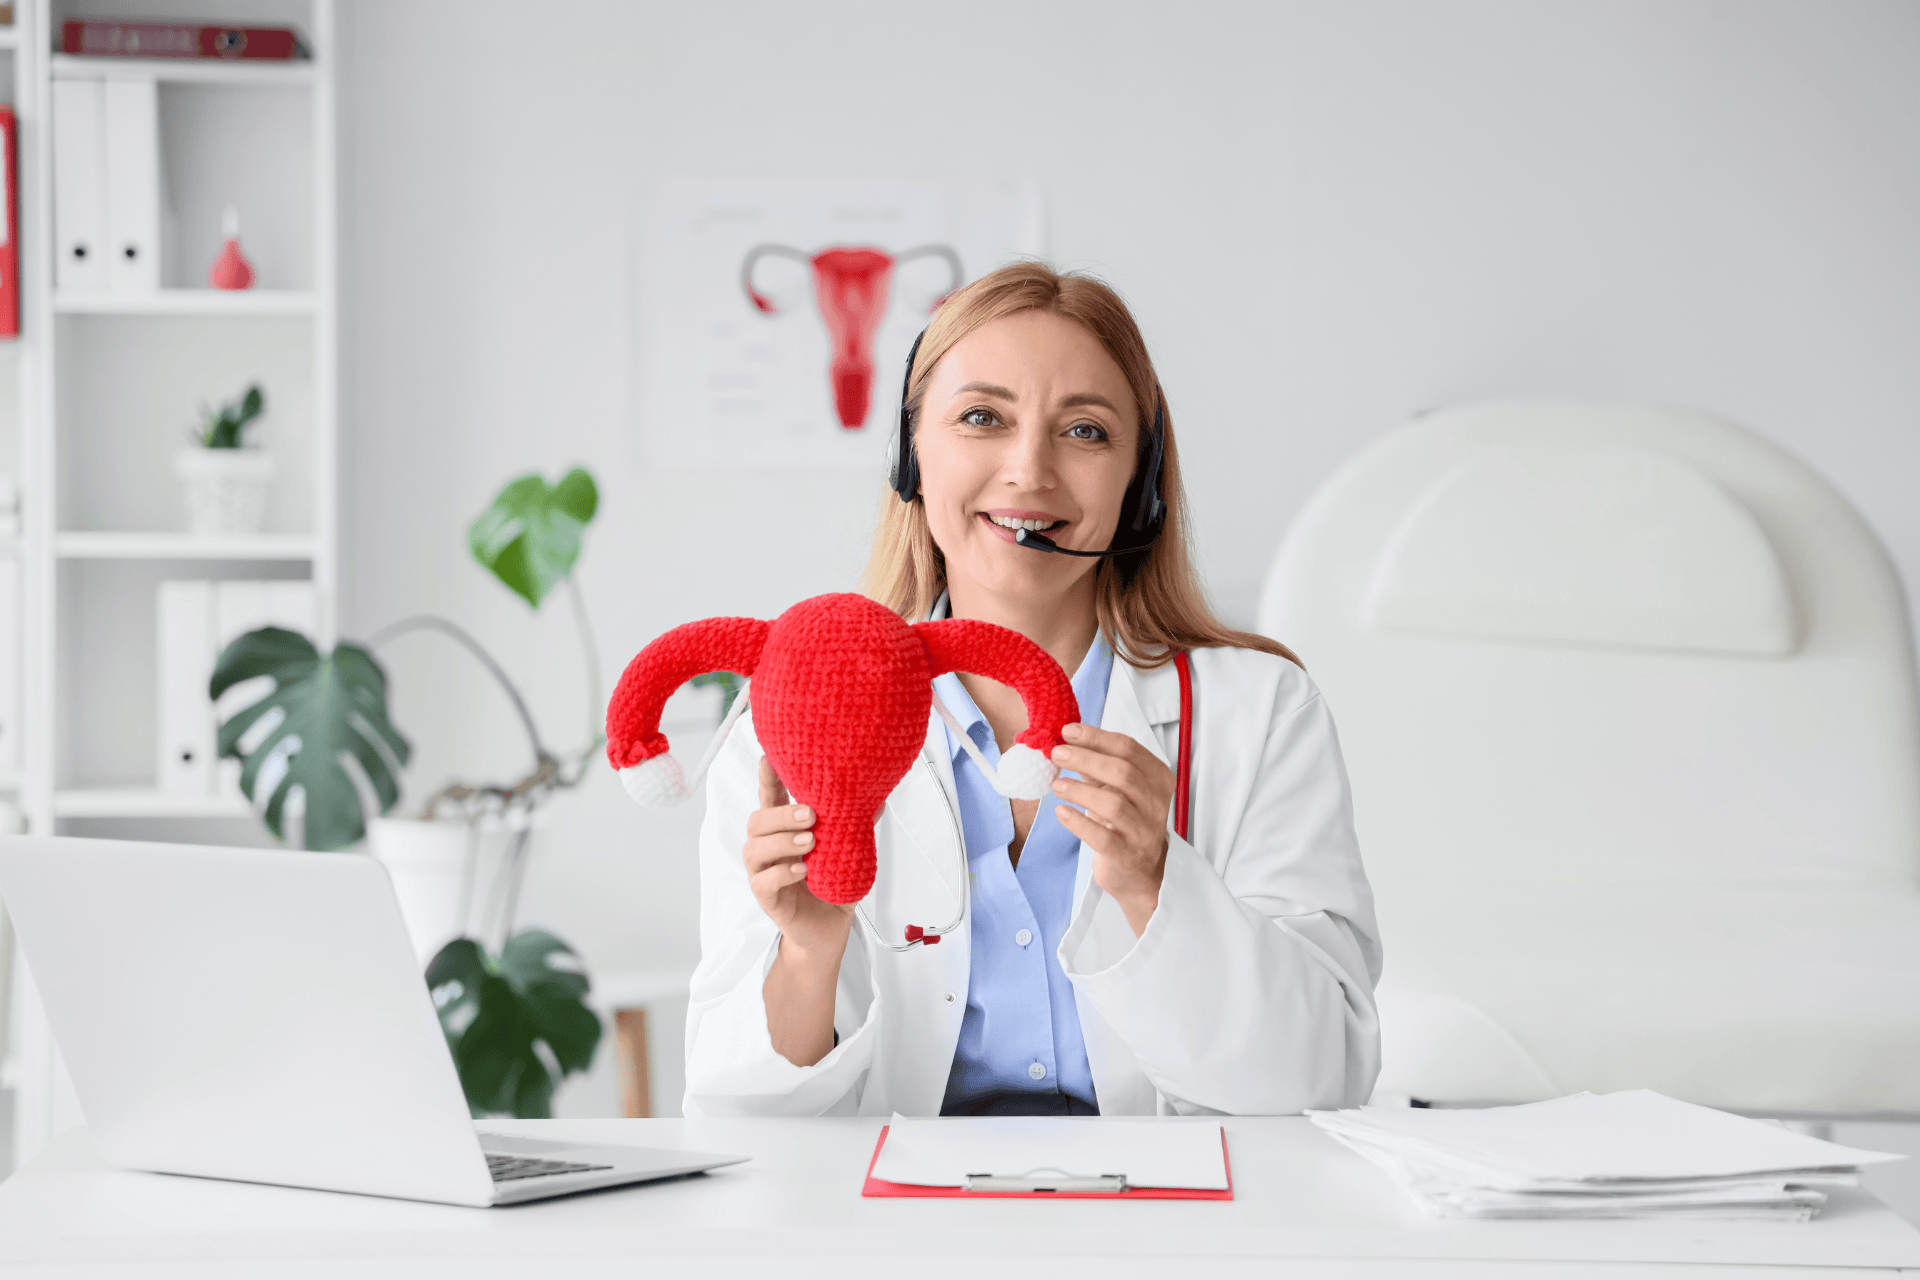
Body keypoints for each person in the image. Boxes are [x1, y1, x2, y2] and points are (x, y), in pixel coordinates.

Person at [683, 262, 1380, 1117]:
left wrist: (1158, 883)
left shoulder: (1264, 713)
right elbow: (737, 1121)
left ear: (1141, 483)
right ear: (912, 458)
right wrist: (808, 957)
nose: (1029, 472)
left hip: (1177, 1241)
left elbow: (1325, 1081)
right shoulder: (784, 719)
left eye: (1085, 432)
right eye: (982, 418)